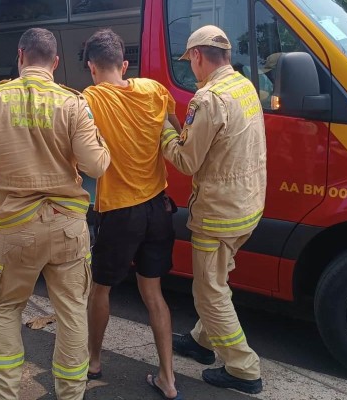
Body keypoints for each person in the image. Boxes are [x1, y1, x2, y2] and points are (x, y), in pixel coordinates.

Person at [0, 27, 111, 400]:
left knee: (6, 310)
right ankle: (71, 394)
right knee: (72, 312)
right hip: (68, 227)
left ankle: (2, 394)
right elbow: (97, 166)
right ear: (55, 63)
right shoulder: (73, 103)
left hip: (16, 228)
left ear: (21, 57)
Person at [159, 25, 267, 395]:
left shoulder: (207, 100)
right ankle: (203, 343)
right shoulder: (244, 86)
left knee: (209, 290)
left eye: (190, 61)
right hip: (248, 205)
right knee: (217, 277)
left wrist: (162, 129)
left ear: (198, 56)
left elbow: (187, 161)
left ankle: (243, 367)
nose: (192, 70)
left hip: (219, 214)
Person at [80, 28, 184, 400]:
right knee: (153, 293)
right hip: (158, 207)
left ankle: (93, 362)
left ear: (92, 67)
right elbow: (175, 135)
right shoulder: (155, 90)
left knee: (101, 289)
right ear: (123, 64)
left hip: (119, 213)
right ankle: (168, 380)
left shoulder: (89, 99)